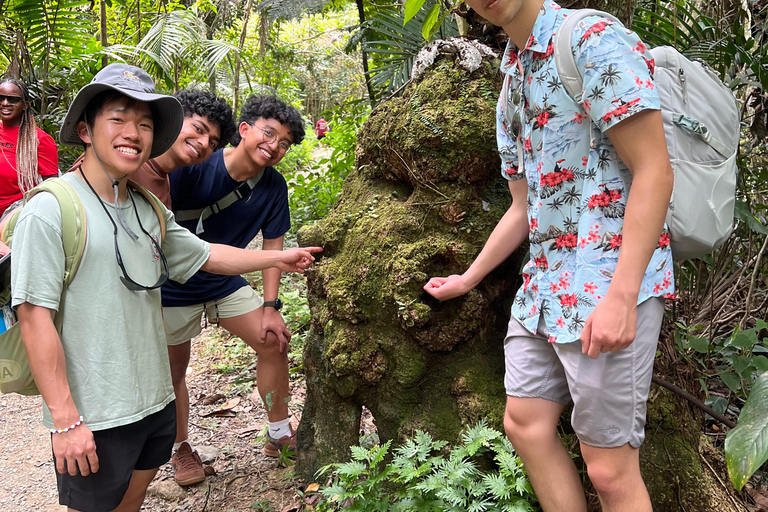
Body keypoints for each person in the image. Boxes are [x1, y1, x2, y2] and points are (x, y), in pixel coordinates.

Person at [12, 63, 321, 512]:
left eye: (144, 125)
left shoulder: (149, 205)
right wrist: (64, 419)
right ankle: (182, 445)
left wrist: (277, 264)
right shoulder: (59, 207)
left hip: (170, 367)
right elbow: (34, 316)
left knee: (134, 496)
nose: (133, 134)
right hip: (117, 377)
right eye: (118, 119)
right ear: (85, 129)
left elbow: (205, 253)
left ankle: (270, 433)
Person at [424, 1, 674, 511]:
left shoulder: (589, 37)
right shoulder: (512, 75)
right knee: (525, 424)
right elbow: (522, 206)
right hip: (544, 285)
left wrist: (622, 297)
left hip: (608, 281)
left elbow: (654, 168)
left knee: (610, 470)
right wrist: (468, 279)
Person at [162, 95, 304, 486]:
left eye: (285, 142)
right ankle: (181, 449)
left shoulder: (273, 187)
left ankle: (278, 434)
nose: (274, 146)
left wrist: (271, 305)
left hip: (225, 283)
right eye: (269, 133)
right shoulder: (194, 162)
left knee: (274, 340)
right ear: (244, 130)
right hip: (171, 288)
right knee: (174, 371)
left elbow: (273, 247)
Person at [71, 89, 235, 209]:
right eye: (198, 129)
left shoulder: (164, 180)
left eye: (213, 143)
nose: (204, 143)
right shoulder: (123, 161)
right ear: (174, 122)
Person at [0, 78, 59, 216]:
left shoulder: (40, 140)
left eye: (12, 99)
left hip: (16, 216)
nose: (5, 103)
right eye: (1, 98)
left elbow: (52, 188)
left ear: (25, 105)